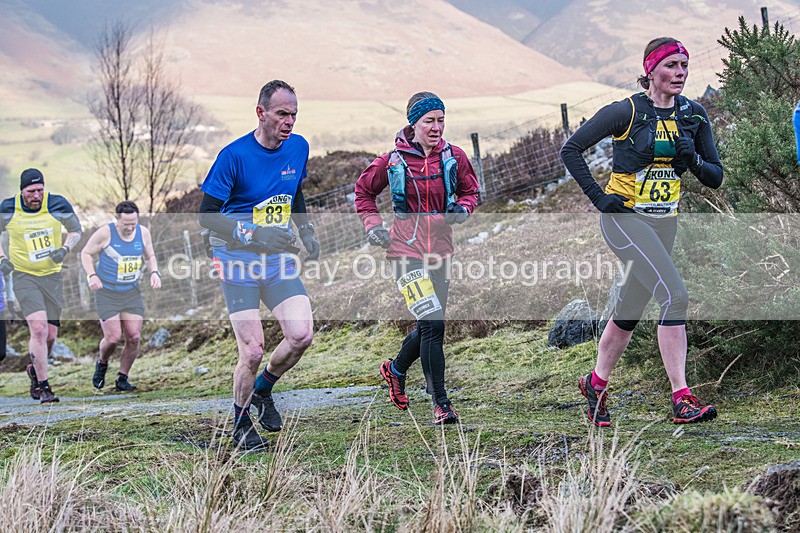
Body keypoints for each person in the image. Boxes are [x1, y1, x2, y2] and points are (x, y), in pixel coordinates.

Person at [560, 38, 724, 426]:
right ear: (651, 70)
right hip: (625, 220)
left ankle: (595, 384)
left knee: (631, 309)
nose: (680, 73)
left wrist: (693, 160)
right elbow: (571, 149)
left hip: (665, 221)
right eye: (671, 65)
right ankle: (681, 398)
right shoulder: (627, 111)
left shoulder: (694, 115)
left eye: (684, 65)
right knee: (676, 295)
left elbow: (715, 177)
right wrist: (600, 198)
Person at [198, 80, 320, 450]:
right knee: (251, 351)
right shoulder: (233, 156)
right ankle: (239, 422)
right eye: (282, 113)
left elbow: (293, 190)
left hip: (277, 259)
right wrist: (254, 235)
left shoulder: (298, 147)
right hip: (236, 259)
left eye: (294, 114)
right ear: (261, 113)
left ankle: (264, 390)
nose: (290, 122)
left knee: (301, 335)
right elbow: (206, 216)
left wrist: (306, 229)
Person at [355, 91, 479, 425]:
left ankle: (395, 370)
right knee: (433, 324)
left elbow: (471, 192)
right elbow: (364, 191)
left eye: (441, 120)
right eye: (429, 121)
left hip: (440, 251)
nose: (436, 127)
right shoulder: (392, 160)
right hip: (404, 253)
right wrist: (372, 226)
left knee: (429, 325)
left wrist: (461, 210)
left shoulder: (454, 156)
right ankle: (441, 403)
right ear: (414, 123)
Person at [0, 168, 82, 403]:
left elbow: (76, 230)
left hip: (52, 277)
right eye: (31, 191)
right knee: (38, 329)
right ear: (22, 191)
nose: (36, 195)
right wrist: (3, 259)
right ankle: (44, 388)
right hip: (24, 276)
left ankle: (35, 371)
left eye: (40, 190)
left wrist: (64, 249)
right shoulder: (8, 208)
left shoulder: (57, 204)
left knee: (51, 335)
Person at [79, 201, 161, 392]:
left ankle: (122, 378)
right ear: (117, 220)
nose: (130, 227)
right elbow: (86, 253)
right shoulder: (105, 233)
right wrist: (92, 275)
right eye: (126, 224)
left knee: (134, 337)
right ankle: (102, 362)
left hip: (131, 292)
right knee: (113, 338)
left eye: (134, 222)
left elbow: (149, 256)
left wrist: (155, 272)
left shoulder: (143, 233)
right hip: (107, 293)